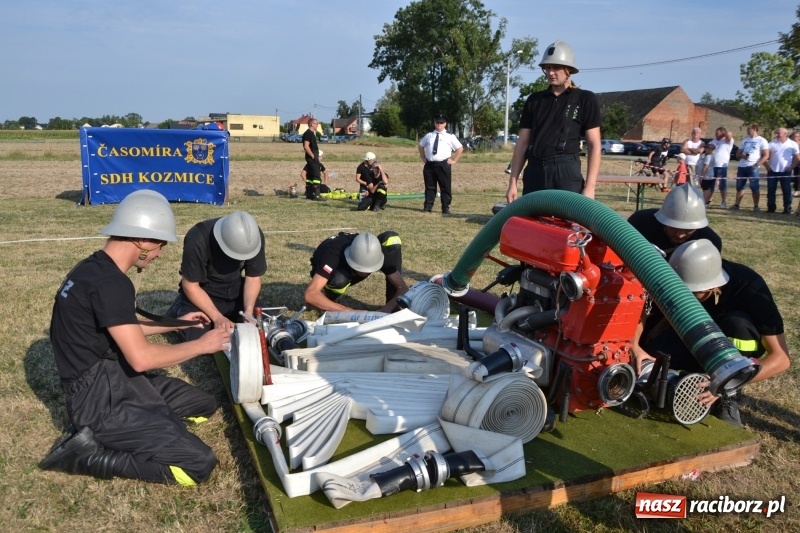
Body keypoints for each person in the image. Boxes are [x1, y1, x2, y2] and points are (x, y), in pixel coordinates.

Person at [40, 190, 231, 484]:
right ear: (142, 240)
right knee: (198, 464)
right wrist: (203, 344)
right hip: (98, 400)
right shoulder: (111, 283)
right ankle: (91, 456)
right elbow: (141, 358)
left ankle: (147, 425)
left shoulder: (93, 268)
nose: (159, 254)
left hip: (115, 378)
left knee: (202, 404)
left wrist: (176, 325)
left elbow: (122, 328)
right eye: (160, 245)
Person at [632, 239, 791, 428]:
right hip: (694, 334)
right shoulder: (678, 272)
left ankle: (728, 396)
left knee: (738, 324)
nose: (681, 296)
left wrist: (725, 382)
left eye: (690, 293)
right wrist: (635, 345)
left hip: (731, 345)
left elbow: (781, 359)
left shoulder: (750, 289)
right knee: (654, 358)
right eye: (676, 290)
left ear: (713, 289)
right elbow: (639, 307)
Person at [505, 40, 601, 202]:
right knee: (533, 224)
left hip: (566, 172)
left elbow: (594, 144)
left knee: (566, 225)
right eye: (547, 68)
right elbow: (522, 143)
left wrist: (590, 186)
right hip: (535, 171)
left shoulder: (585, 99)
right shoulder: (534, 100)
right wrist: (513, 182)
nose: (550, 73)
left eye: (555, 67)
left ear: (568, 69)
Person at [166, 211, 267, 342]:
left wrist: (248, 312)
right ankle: (179, 307)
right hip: (205, 293)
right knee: (196, 338)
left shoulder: (253, 238)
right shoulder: (197, 238)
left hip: (236, 292)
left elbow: (253, 277)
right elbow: (190, 285)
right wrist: (217, 317)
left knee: (266, 325)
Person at [305, 231, 409, 313]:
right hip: (327, 262)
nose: (365, 273)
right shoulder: (331, 255)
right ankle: (330, 296)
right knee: (338, 280)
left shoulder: (377, 254)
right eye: (361, 269)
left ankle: (394, 310)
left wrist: (387, 309)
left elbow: (403, 288)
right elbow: (310, 294)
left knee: (392, 238)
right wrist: (348, 311)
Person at [627, 183, 722, 260]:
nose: (680, 235)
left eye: (688, 230)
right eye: (674, 227)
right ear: (663, 221)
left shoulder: (709, 243)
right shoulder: (640, 224)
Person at [418, 113, 463, 214]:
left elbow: (459, 148)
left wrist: (454, 160)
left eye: (441, 123)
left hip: (443, 164)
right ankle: (428, 206)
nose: (439, 124)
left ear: (445, 124)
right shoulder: (429, 135)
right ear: (434, 123)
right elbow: (421, 145)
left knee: (445, 187)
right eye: (437, 122)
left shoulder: (450, 136)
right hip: (430, 164)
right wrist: (423, 157)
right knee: (430, 187)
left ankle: (445, 207)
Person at [732, 123, 769, 211]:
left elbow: (766, 155)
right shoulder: (745, 140)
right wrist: (743, 156)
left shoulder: (762, 140)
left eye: (748, 129)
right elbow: (737, 154)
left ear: (754, 129)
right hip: (742, 166)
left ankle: (756, 206)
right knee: (740, 186)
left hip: (753, 167)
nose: (747, 130)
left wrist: (757, 164)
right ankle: (736, 205)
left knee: (754, 187)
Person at [764, 127, 799, 214]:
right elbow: (764, 156)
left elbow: (797, 158)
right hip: (772, 171)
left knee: (786, 190)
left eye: (779, 133)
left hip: (786, 172)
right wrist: (767, 167)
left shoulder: (792, 144)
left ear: (785, 134)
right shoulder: (771, 144)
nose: (777, 135)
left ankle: (787, 208)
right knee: (771, 190)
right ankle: (771, 208)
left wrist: (791, 167)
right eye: (776, 133)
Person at [707, 127, 735, 209]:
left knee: (722, 185)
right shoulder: (714, 141)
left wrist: (724, 135)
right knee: (711, 184)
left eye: (718, 133)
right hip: (712, 166)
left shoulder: (727, 141)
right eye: (715, 133)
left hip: (721, 166)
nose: (716, 135)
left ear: (723, 133)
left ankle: (723, 201)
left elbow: (729, 134)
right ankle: (708, 200)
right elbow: (708, 147)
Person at [303, 118, 324, 201]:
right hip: (312, 159)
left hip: (312, 158)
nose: (317, 125)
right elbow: (306, 146)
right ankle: (317, 195)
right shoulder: (309, 133)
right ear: (312, 124)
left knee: (310, 176)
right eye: (316, 124)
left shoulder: (312, 133)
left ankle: (309, 194)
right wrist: (313, 156)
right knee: (316, 176)